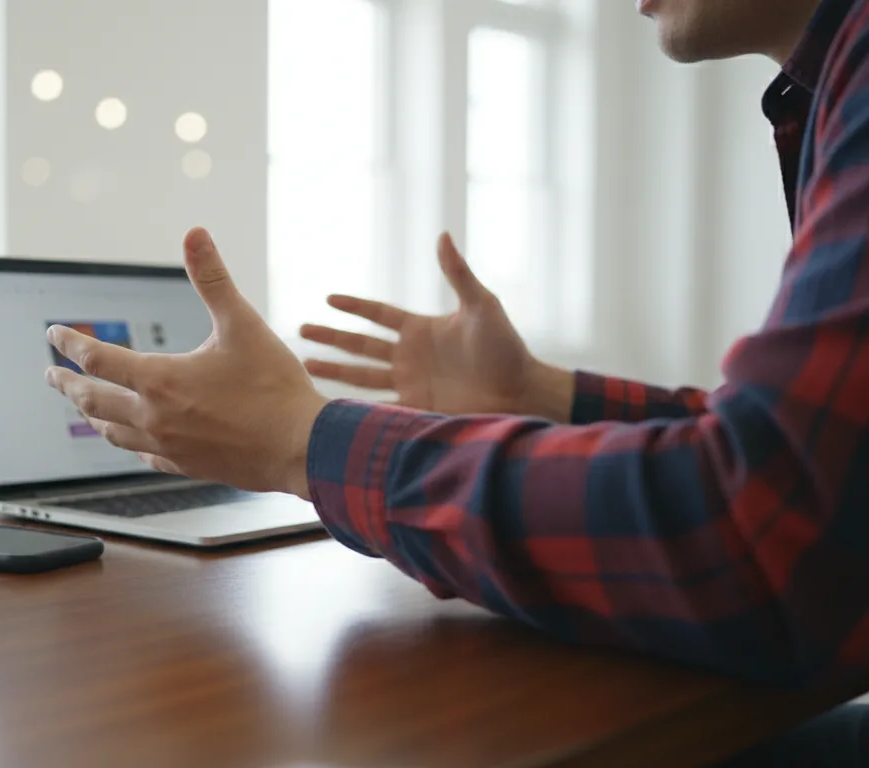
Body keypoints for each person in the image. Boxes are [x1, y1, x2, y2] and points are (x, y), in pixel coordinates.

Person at [44, 0, 869, 762]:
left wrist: (303, 441)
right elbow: (808, 459)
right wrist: (541, 395)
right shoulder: (835, 87)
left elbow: (756, 529)